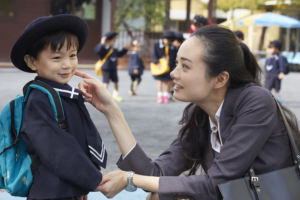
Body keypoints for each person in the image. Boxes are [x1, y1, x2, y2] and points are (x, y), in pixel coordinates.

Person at [75, 25, 300, 200]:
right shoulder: (199, 112)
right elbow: (155, 174)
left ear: (220, 79)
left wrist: (130, 179)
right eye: (176, 64)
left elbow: (215, 185)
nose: (173, 73)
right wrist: (110, 110)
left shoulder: (256, 102)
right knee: (159, 194)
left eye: (185, 66)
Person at [10, 15, 107, 200]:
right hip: (51, 191)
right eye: (56, 57)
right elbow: (57, 149)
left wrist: (82, 186)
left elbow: (78, 140)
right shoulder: (39, 99)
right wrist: (92, 178)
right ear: (32, 62)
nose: (67, 64)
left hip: (69, 187)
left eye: (72, 55)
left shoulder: (64, 94)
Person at [94, 31, 129, 102]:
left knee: (116, 81)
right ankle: (102, 95)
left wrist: (125, 49)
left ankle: (116, 93)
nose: (114, 43)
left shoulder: (114, 49)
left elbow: (119, 54)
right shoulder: (103, 48)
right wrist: (102, 43)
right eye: (113, 41)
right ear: (107, 41)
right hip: (106, 68)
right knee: (106, 82)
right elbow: (97, 50)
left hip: (113, 68)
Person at [152, 30, 177, 103]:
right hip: (161, 65)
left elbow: (174, 57)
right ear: (163, 38)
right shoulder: (157, 44)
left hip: (169, 66)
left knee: (168, 81)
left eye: (170, 41)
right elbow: (154, 53)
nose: (168, 42)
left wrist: (174, 66)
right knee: (160, 80)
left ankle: (166, 95)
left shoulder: (172, 47)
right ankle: (160, 96)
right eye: (167, 40)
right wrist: (156, 62)